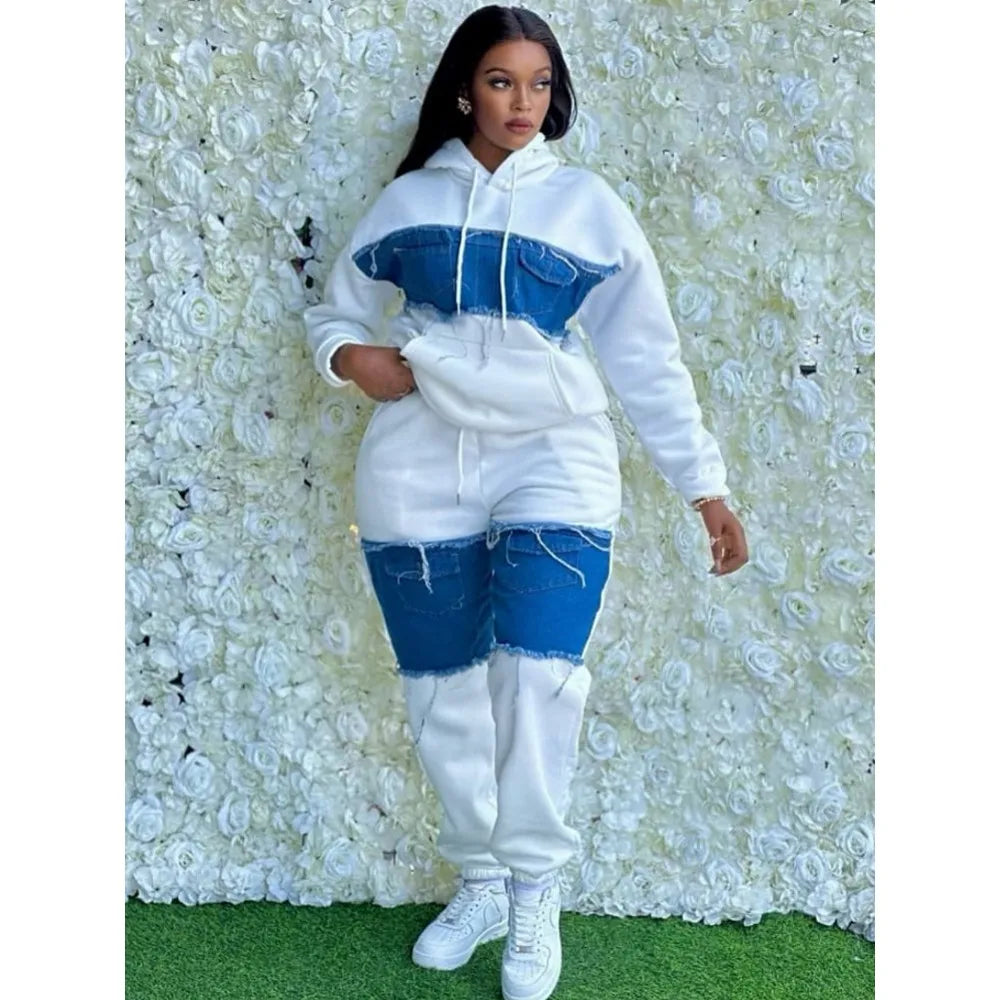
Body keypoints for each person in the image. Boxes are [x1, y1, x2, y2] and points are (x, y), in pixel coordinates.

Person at [303, 5, 749, 999]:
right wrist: (349, 358)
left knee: (538, 680)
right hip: (417, 459)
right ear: (466, 90)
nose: (523, 103)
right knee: (441, 688)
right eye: (502, 81)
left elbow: (645, 357)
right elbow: (336, 310)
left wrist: (704, 487)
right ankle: (482, 881)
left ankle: (535, 887)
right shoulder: (409, 199)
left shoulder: (587, 206)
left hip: (556, 456)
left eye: (540, 84)